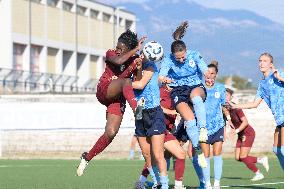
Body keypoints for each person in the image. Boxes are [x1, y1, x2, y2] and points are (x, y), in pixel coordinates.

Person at [76, 30, 146, 176]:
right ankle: (136, 110)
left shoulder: (134, 60)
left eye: (121, 48)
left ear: (128, 48)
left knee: (111, 133)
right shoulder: (111, 53)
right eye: (117, 47)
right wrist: (135, 50)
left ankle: (87, 157)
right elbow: (119, 61)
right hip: (105, 89)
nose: (118, 50)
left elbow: (138, 80)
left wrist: (139, 68)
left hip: (118, 97)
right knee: (126, 81)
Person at [159, 21, 210, 168]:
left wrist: (207, 74)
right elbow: (161, 76)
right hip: (178, 90)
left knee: (196, 98)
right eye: (178, 58)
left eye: (183, 57)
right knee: (189, 120)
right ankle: (197, 150)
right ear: (173, 55)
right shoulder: (168, 59)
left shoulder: (195, 55)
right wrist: (165, 79)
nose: (181, 60)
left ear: (186, 51)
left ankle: (203, 129)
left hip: (195, 86)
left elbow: (204, 69)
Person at [229, 52, 284, 170]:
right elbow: (254, 104)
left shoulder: (278, 74)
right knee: (276, 150)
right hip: (279, 119)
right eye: (260, 61)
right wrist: (235, 106)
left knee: (283, 150)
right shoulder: (262, 84)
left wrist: (280, 78)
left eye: (265, 61)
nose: (261, 63)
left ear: (271, 64)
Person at [132, 52, 169, 189]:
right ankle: (156, 182)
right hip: (140, 114)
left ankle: (164, 185)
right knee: (147, 154)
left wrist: (122, 82)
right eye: (142, 53)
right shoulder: (134, 69)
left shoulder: (151, 66)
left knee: (158, 154)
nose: (142, 56)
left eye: (145, 54)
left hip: (154, 113)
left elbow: (140, 85)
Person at [225, 88, 269, 181]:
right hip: (240, 134)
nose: (225, 96)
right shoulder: (224, 109)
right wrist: (226, 132)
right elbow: (225, 121)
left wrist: (236, 131)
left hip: (248, 133)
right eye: (223, 94)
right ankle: (260, 160)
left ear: (231, 97)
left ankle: (258, 174)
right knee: (238, 157)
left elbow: (245, 122)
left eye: (227, 95)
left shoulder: (236, 108)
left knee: (243, 156)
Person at [200, 62, 227, 189]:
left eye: (212, 73)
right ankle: (207, 184)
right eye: (207, 73)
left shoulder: (221, 88)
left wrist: (230, 119)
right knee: (205, 155)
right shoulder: (199, 88)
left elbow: (223, 106)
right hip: (203, 128)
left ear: (216, 75)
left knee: (217, 153)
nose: (209, 76)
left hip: (218, 126)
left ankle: (216, 183)